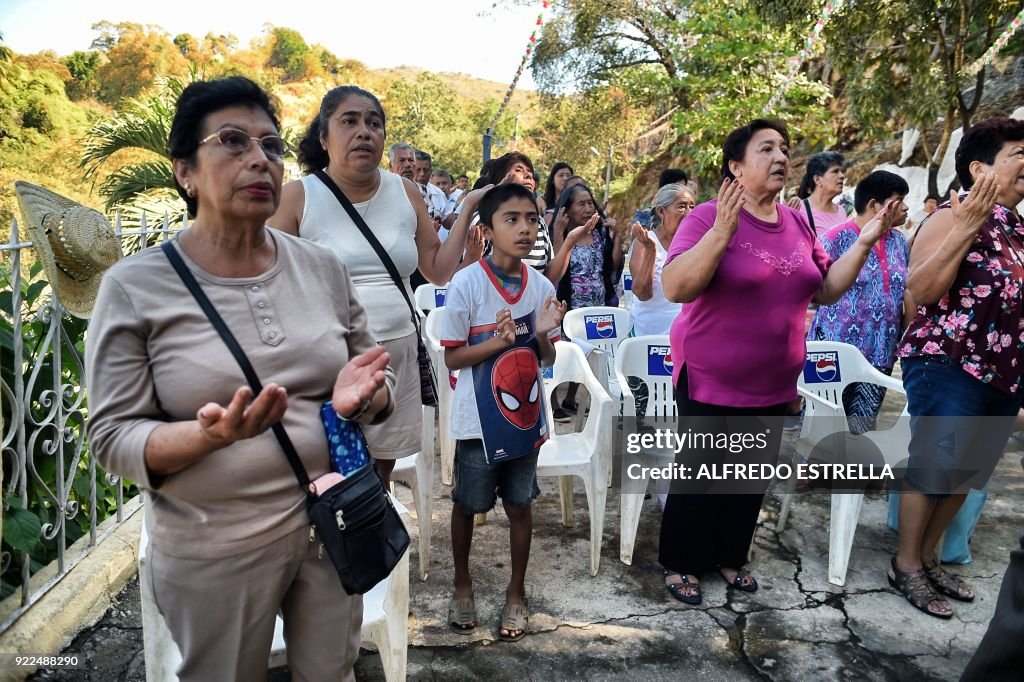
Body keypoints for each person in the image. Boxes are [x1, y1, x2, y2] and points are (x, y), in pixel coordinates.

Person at [86, 77, 395, 681]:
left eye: (272, 145)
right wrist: (209, 437)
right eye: (232, 141)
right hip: (216, 547)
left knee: (331, 672)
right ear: (185, 172)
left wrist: (364, 400)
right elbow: (112, 438)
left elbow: (370, 384)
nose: (259, 159)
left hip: (331, 522)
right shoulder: (134, 287)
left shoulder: (321, 266)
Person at [658, 119, 889, 604]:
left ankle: (729, 555)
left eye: (784, 149)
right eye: (766, 149)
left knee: (748, 477)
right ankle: (681, 561)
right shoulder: (706, 216)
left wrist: (865, 242)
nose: (781, 157)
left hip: (774, 380)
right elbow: (677, 286)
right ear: (736, 167)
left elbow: (823, 289)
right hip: (710, 375)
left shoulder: (798, 222)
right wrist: (721, 231)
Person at [269, 85, 485, 488]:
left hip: (397, 353)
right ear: (324, 137)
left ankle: (372, 541)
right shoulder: (297, 198)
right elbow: (267, 285)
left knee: (378, 475)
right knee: (328, 476)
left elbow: (437, 270)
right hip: (328, 361)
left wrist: (468, 207)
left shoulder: (405, 192)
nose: (363, 131)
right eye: (349, 121)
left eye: (373, 123)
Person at [890, 115, 1024, 619]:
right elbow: (921, 291)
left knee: (966, 474)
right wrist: (966, 227)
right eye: (1018, 155)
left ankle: (926, 560)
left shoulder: (1018, 228)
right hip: (948, 360)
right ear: (978, 167)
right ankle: (905, 565)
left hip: (1004, 370)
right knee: (936, 469)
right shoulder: (952, 215)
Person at [441, 183, 566, 641]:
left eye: (532, 218)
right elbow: (452, 358)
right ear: (487, 229)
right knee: (468, 503)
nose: (525, 228)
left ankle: (516, 592)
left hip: (523, 417)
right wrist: (500, 341)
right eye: (511, 219)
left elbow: (546, 360)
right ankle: (462, 583)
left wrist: (543, 335)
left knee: (519, 504)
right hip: (477, 421)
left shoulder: (542, 286)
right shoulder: (467, 283)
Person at [807, 170, 911, 434]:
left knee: (860, 429)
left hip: (879, 352)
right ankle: (807, 473)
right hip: (831, 351)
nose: (907, 207)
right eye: (899, 200)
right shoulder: (834, 238)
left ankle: (847, 473)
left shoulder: (899, 242)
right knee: (819, 424)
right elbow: (813, 289)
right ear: (874, 205)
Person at [547, 182, 625, 420]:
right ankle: (554, 402)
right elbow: (556, 270)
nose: (588, 207)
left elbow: (612, 266)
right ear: (566, 210)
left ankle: (572, 398)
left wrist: (618, 236)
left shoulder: (600, 232)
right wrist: (560, 234)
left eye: (590, 202)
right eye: (581, 203)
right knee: (564, 355)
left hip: (596, 304)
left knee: (590, 353)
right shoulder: (560, 232)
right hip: (568, 306)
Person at [789, 151, 848, 236]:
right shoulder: (799, 209)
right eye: (835, 171)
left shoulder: (842, 212)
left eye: (842, 171)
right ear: (817, 179)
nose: (842, 176)